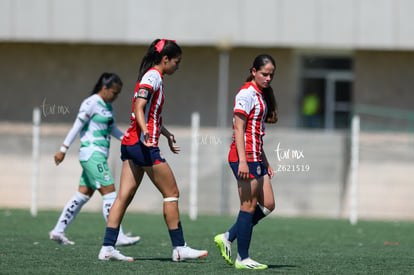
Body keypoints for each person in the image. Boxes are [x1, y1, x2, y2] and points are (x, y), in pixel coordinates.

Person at [98, 39, 208, 262]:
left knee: (124, 196)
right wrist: (147, 132)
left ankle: (107, 248)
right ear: (165, 59)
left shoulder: (152, 77)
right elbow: (139, 108)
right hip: (141, 144)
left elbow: (150, 113)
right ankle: (179, 248)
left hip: (131, 143)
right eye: (177, 61)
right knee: (172, 193)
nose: (178, 65)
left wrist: (165, 134)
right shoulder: (153, 76)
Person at [49, 72, 141, 247]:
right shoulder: (91, 103)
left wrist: (129, 140)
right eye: (114, 92)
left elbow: (113, 129)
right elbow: (77, 126)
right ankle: (117, 235)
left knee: (83, 194)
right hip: (92, 154)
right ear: (104, 88)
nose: (115, 97)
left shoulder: (107, 107)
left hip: (98, 156)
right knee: (110, 192)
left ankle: (58, 231)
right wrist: (63, 149)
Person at [214, 54, 277, 270]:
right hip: (244, 157)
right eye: (264, 74)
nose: (268, 78)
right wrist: (242, 161)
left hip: (256, 156)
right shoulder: (246, 93)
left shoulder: (260, 94)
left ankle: (228, 236)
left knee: (268, 204)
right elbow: (239, 128)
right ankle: (243, 258)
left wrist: (265, 159)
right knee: (248, 207)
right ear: (253, 71)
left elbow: (256, 132)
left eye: (271, 75)